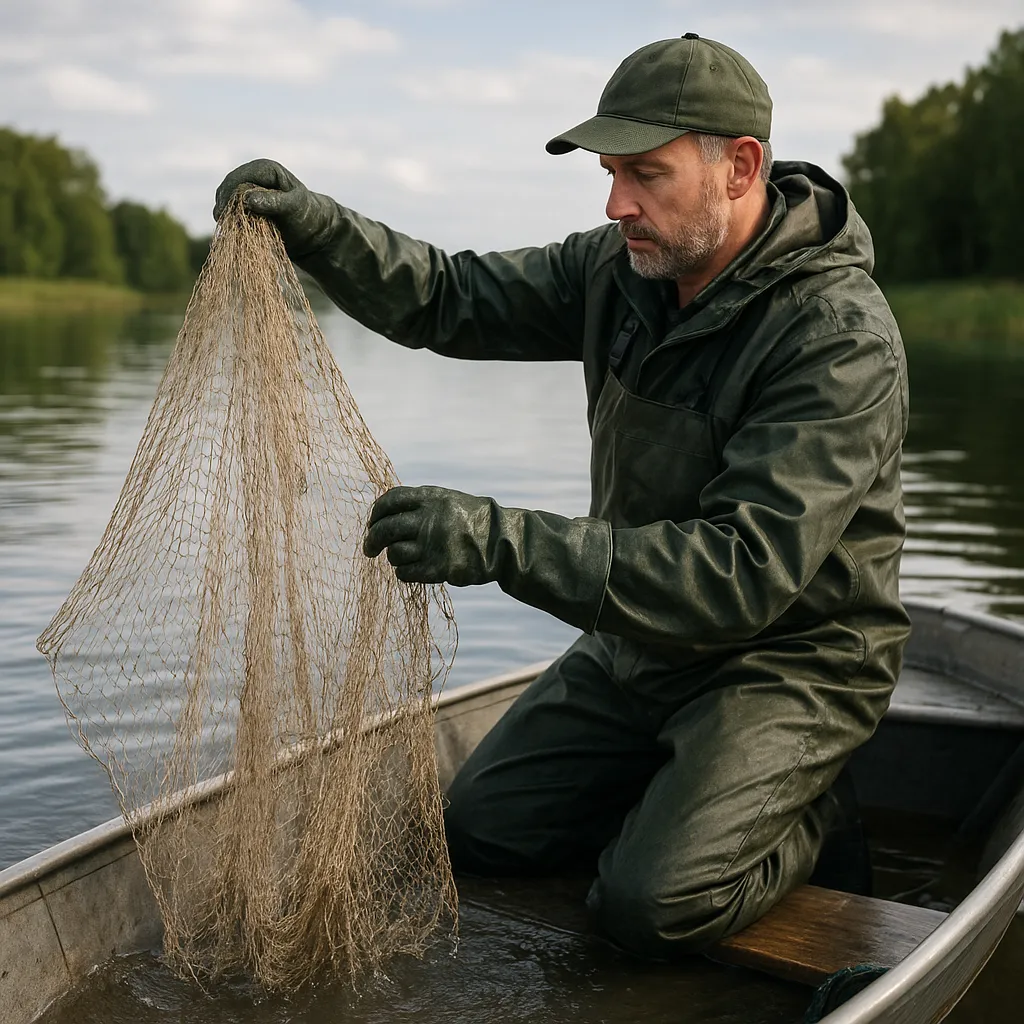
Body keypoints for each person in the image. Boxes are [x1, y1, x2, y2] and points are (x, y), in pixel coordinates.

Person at [214, 33, 909, 958]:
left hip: (789, 662)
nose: (618, 203)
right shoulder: (618, 270)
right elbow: (448, 297)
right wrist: (318, 227)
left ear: (740, 167)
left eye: (646, 175)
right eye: (611, 173)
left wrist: (498, 542)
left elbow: (742, 575)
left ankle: (803, 812)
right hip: (639, 645)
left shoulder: (837, 338)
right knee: (476, 833)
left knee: (647, 907)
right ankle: (682, 793)